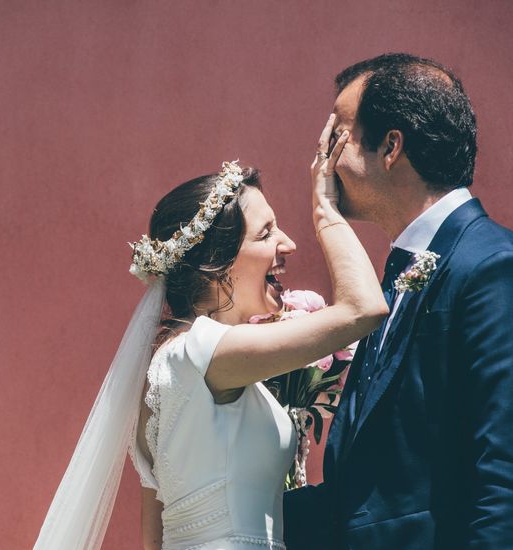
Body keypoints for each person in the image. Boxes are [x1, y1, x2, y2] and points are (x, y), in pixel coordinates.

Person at [33, 143, 388, 549]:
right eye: (267, 233)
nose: (287, 244)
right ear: (217, 266)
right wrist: (326, 209)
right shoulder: (202, 353)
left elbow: (155, 541)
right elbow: (363, 308)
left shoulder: (170, 362)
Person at [283, 53, 513, 550]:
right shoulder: (409, 271)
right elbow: (373, 495)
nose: (322, 158)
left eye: (337, 134)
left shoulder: (496, 270)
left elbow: (510, 491)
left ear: (391, 146)